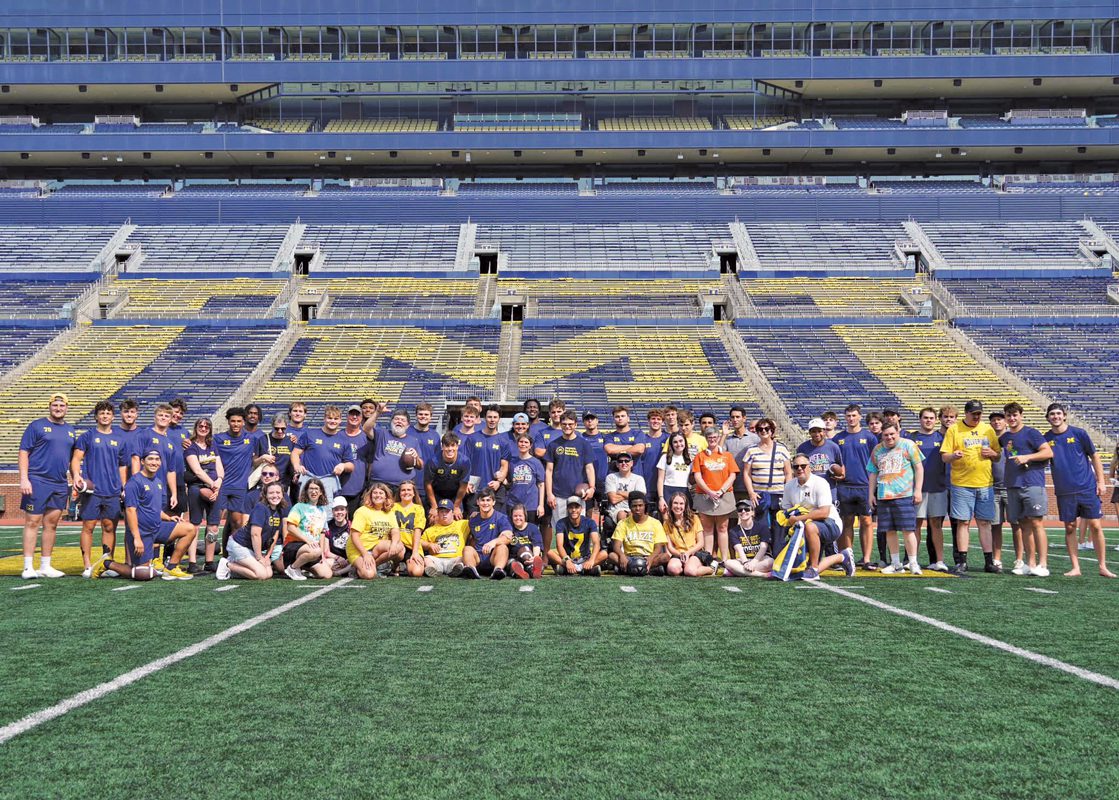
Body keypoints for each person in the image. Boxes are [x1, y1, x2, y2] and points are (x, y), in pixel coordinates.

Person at [92, 449, 197, 581]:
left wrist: (168, 517)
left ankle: (171, 568)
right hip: (142, 533)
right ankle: (107, 563)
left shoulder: (158, 481)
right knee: (144, 574)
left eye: (157, 459)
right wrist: (136, 538)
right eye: (150, 459)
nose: (154, 462)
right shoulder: (134, 482)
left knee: (190, 529)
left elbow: (154, 508)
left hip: (157, 527)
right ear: (142, 461)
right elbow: (130, 511)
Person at [1044, 403, 1115, 578]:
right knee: (1069, 528)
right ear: (1048, 417)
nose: (1055, 416)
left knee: (1096, 526)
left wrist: (1101, 481)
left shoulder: (1079, 433)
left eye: (1058, 413)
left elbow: (1095, 457)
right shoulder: (1045, 438)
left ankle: (1103, 566)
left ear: (1064, 415)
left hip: (1086, 487)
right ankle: (1075, 567)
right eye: (1052, 414)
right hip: (1064, 491)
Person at [18, 393, 76, 579]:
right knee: (32, 522)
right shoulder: (36, 425)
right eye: (55, 405)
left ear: (67, 408)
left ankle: (45, 565)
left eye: (62, 405)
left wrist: (75, 479)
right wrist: (24, 479)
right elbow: (23, 452)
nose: (58, 408)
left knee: (51, 524)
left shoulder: (70, 430)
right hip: (38, 480)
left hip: (59, 482)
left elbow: (71, 459)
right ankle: (28, 566)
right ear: (49, 406)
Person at [941, 399, 1001, 575]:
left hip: (985, 483)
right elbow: (944, 456)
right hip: (961, 484)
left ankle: (989, 562)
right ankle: (962, 561)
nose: (977, 416)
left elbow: (997, 455)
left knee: (984, 523)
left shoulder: (987, 429)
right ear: (966, 413)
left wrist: (993, 454)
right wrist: (953, 456)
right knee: (963, 522)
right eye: (973, 413)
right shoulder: (954, 429)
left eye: (979, 414)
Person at [70, 400, 127, 578]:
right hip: (92, 490)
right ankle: (87, 564)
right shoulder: (87, 436)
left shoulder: (119, 439)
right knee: (88, 526)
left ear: (112, 417)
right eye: (101, 413)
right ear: (96, 416)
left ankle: (107, 563)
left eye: (108, 413)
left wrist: (123, 486)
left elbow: (122, 466)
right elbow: (76, 458)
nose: (104, 416)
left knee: (109, 527)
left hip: (112, 490)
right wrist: (77, 476)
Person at [1000, 402, 1053, 577]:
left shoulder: (1032, 433)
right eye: (1009, 415)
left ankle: (1043, 564)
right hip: (1013, 485)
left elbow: (1048, 452)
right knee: (1022, 524)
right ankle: (1029, 564)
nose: (1012, 418)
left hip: (1032, 484)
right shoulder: (1005, 437)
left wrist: (1027, 457)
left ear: (1021, 415)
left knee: (1036, 522)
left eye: (1015, 415)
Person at [867, 423, 924, 575]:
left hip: (904, 494)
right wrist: (871, 494)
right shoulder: (878, 449)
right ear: (882, 436)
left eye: (892, 434)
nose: (889, 437)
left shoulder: (908, 445)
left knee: (908, 530)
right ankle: (896, 563)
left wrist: (918, 490)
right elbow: (872, 472)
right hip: (884, 495)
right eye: (886, 435)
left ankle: (913, 562)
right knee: (889, 531)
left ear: (898, 432)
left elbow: (919, 467)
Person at [781, 454, 848, 581]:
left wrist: (799, 519)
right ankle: (841, 557)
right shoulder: (789, 486)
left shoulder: (820, 483)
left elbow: (824, 512)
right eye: (796, 466)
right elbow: (786, 510)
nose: (800, 469)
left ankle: (814, 567)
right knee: (798, 571)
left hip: (829, 524)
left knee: (810, 526)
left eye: (803, 466)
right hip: (804, 527)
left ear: (810, 467)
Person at [833, 404, 877, 572]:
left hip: (864, 485)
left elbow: (875, 460)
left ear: (859, 416)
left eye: (854, 415)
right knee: (847, 522)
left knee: (866, 521)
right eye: (848, 416)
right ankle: (848, 557)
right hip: (845, 486)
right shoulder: (838, 438)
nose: (851, 418)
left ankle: (866, 559)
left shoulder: (870, 437)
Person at [906, 407, 951, 572]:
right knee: (915, 524)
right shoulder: (911, 438)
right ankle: (913, 560)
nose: (928, 420)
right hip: (917, 488)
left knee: (936, 524)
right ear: (920, 419)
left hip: (937, 487)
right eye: (925, 418)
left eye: (931, 418)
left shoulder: (942, 437)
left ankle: (939, 560)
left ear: (935, 420)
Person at [217, 481, 286, 581]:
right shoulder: (260, 508)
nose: (275, 495)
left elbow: (274, 536)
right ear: (265, 495)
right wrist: (259, 557)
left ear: (282, 494)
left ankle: (235, 567)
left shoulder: (279, 510)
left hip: (251, 548)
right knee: (261, 575)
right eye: (271, 493)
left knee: (268, 573)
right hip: (240, 545)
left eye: (278, 493)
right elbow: (255, 534)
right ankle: (227, 565)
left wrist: (267, 556)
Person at [691, 426, 739, 562]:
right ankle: (708, 559)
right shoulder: (700, 456)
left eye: (714, 437)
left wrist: (721, 490)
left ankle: (724, 560)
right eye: (709, 437)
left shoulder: (727, 455)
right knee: (707, 529)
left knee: (723, 527)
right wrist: (710, 492)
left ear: (718, 438)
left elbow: (733, 475)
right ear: (706, 439)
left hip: (724, 495)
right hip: (705, 496)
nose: (712, 439)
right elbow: (697, 476)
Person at [183, 417, 224, 574]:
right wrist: (212, 484)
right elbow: (197, 470)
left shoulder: (213, 445)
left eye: (207, 426)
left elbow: (220, 468)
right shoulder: (191, 446)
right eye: (201, 425)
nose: (204, 428)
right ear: (196, 427)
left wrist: (218, 482)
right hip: (197, 487)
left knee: (213, 526)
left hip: (215, 488)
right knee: (195, 525)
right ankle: (192, 562)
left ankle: (209, 561)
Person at [739, 418, 792, 534]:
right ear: (757, 432)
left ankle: (777, 551)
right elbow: (746, 473)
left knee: (779, 526)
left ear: (772, 431)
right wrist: (751, 492)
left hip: (778, 493)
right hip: (759, 494)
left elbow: (788, 473)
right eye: (760, 429)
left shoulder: (782, 449)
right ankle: (763, 551)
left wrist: (787, 492)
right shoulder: (751, 450)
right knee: (760, 525)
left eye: (767, 429)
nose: (764, 431)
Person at [544, 411, 595, 528]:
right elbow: (549, 471)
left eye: (570, 424)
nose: (567, 426)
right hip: (559, 494)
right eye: (564, 424)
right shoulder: (553, 445)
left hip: (578, 494)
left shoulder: (584, 444)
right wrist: (549, 494)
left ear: (576, 425)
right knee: (561, 529)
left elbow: (589, 468)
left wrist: (592, 488)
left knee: (578, 528)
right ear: (560, 424)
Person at [213, 406, 257, 543]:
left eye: (239, 421)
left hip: (240, 487)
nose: (236, 424)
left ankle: (232, 555)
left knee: (237, 523)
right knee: (214, 523)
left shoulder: (251, 439)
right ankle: (210, 560)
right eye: (233, 421)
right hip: (222, 486)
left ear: (244, 422)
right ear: (228, 422)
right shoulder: (218, 439)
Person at [291, 405, 353, 501]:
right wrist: (297, 466)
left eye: (336, 419)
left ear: (340, 420)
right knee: (306, 511)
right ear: (324, 418)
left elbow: (351, 465)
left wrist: (343, 466)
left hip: (329, 482)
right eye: (329, 418)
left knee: (327, 513)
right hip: (309, 480)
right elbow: (295, 453)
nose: (332, 421)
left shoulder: (344, 440)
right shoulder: (310, 434)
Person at [130, 402, 181, 512]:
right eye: (160, 415)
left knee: (158, 523)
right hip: (144, 487)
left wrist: (174, 494)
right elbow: (135, 459)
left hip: (161, 490)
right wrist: (137, 483)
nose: (163, 418)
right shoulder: (144, 435)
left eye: (166, 416)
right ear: (155, 417)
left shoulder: (170, 444)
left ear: (171, 419)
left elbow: (171, 471)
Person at [347, 482, 405, 580]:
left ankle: (375, 564)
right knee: (369, 575)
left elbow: (395, 531)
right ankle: (357, 568)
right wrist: (365, 554)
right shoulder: (362, 511)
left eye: (381, 493)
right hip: (359, 549)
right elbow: (354, 536)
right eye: (375, 493)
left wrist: (394, 544)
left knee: (400, 548)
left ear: (386, 496)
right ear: (370, 495)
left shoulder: (389, 512)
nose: (378, 495)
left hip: (376, 548)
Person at [281, 478, 333, 580]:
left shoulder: (322, 511)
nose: (314, 491)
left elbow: (322, 533)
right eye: (311, 489)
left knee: (327, 574)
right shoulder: (299, 507)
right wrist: (308, 541)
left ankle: (302, 567)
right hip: (294, 546)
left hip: (312, 549)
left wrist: (322, 554)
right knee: (315, 551)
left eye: (316, 489)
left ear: (321, 492)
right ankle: (292, 568)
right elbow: (290, 527)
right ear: (306, 491)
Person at [610, 492, 670, 576]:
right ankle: (649, 570)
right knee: (612, 556)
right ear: (630, 507)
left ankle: (629, 570)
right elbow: (616, 546)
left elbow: (658, 548)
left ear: (645, 506)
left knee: (665, 557)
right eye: (634, 506)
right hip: (630, 558)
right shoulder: (622, 523)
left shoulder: (655, 523)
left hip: (647, 557)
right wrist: (622, 556)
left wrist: (651, 558)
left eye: (640, 505)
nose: (638, 508)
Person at [365, 408, 422, 496]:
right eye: (396, 419)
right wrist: (378, 412)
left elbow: (420, 466)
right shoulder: (382, 433)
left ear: (407, 425)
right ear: (391, 422)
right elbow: (366, 428)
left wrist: (416, 457)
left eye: (403, 420)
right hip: (379, 483)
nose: (399, 422)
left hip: (402, 487)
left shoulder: (413, 440)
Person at [415, 499, 475, 578]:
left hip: (455, 558)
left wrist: (476, 514)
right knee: (427, 559)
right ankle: (432, 570)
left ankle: (457, 569)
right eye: (441, 511)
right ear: (438, 513)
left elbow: (477, 522)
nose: (444, 514)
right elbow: (420, 542)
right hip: (437, 559)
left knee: (463, 558)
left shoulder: (463, 524)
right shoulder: (430, 530)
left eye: (447, 511)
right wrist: (430, 545)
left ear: (452, 512)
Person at [548, 495, 605, 576]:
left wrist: (591, 560)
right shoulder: (561, 523)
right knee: (549, 552)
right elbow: (559, 545)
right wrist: (567, 560)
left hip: (585, 558)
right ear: (567, 509)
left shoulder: (589, 522)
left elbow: (596, 543)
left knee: (604, 554)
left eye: (576, 507)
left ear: (581, 509)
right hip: (567, 557)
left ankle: (569, 569)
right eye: (571, 507)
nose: (574, 510)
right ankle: (586, 570)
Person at [465, 488, 513, 579]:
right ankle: (471, 570)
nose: (485, 503)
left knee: (502, 547)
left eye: (488, 500)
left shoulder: (501, 518)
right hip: (478, 558)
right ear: (478, 502)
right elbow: (473, 539)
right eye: (482, 500)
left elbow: (508, 537)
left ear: (493, 502)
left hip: (493, 557)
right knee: (467, 549)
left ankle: (498, 570)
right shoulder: (473, 520)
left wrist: (493, 542)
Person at [664, 492, 714, 577]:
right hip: (678, 553)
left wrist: (688, 553)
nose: (678, 506)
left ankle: (712, 568)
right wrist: (680, 555)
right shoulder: (667, 523)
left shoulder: (694, 518)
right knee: (672, 569)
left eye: (681, 504)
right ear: (671, 505)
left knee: (690, 572)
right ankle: (686, 567)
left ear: (685, 505)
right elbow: (670, 547)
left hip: (694, 553)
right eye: (675, 503)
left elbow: (701, 542)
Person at [337, 405, 373, 517]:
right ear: (346, 417)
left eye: (357, 414)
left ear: (362, 418)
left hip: (358, 488)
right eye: (352, 414)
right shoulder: (338, 435)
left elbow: (370, 462)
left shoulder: (366, 438)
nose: (354, 417)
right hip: (338, 486)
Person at [424, 432, 471, 519]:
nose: (450, 449)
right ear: (442, 446)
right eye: (447, 446)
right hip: (437, 494)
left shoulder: (464, 461)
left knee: (457, 518)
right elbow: (428, 484)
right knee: (434, 519)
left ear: (457, 446)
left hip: (455, 495)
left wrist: (456, 507)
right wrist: (434, 506)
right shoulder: (433, 461)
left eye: (453, 445)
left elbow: (463, 486)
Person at [796, 417, 845, 500]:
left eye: (819, 431)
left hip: (829, 489)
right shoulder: (802, 448)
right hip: (809, 489)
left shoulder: (833, 447)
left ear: (824, 431)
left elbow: (840, 465)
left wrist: (841, 474)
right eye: (813, 431)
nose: (817, 434)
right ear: (810, 433)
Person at [724, 499, 774, 577]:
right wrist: (745, 563)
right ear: (738, 513)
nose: (743, 511)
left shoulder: (763, 527)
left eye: (746, 509)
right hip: (744, 560)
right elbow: (739, 550)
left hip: (761, 558)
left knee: (770, 562)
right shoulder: (733, 531)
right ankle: (762, 575)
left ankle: (737, 571)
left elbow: (763, 548)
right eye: (740, 510)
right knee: (728, 563)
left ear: (752, 512)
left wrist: (754, 562)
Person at [505, 433, 546, 523]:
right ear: (517, 444)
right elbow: (508, 480)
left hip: (530, 504)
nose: (523, 444)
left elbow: (541, 484)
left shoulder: (536, 462)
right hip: (513, 503)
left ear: (530, 445)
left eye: (526, 442)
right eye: (521, 442)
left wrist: (541, 505)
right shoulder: (512, 461)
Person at [255, 414, 297, 498]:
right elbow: (254, 463)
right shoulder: (263, 440)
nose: (280, 431)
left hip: (283, 484)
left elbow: (294, 460)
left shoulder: (291, 441)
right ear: (272, 426)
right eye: (276, 428)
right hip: (265, 482)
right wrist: (263, 457)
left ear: (287, 426)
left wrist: (295, 473)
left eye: (283, 428)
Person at [393, 480, 426, 573]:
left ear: (414, 493)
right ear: (399, 493)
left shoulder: (419, 508)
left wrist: (415, 552)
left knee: (416, 572)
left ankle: (405, 565)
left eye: (409, 490)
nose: (406, 492)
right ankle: (395, 564)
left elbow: (417, 531)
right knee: (399, 551)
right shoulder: (393, 506)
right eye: (403, 490)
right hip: (397, 546)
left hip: (412, 546)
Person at [581, 412, 609, 523]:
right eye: (587, 419)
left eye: (592, 418)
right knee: (587, 512)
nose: (590, 421)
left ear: (597, 420)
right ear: (583, 422)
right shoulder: (580, 438)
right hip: (586, 480)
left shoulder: (605, 437)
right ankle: (589, 537)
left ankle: (605, 538)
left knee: (607, 513)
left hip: (603, 480)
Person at [639, 409, 669, 511]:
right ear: (648, 421)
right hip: (647, 483)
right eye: (653, 419)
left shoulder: (668, 439)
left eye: (658, 419)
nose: (655, 421)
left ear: (663, 422)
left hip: (664, 485)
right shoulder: (642, 438)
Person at [656, 431, 692, 516]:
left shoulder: (690, 458)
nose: (678, 444)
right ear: (671, 444)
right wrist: (661, 498)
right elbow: (660, 479)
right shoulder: (665, 458)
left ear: (685, 442)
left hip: (685, 491)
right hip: (668, 490)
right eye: (675, 442)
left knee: (684, 521)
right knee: (667, 521)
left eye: (681, 441)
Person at [605, 452, 646, 524]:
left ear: (631, 463)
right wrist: (631, 495)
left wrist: (620, 493)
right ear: (617, 464)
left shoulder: (639, 479)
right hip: (616, 509)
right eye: (620, 461)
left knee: (632, 514)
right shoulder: (611, 477)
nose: (624, 463)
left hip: (635, 507)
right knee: (622, 515)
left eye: (627, 461)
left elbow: (640, 497)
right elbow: (613, 500)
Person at [507, 503, 545, 579]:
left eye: (520, 516)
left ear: (525, 516)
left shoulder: (532, 528)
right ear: (511, 517)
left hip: (530, 557)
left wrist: (535, 557)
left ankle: (534, 571)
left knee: (535, 564)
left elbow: (536, 544)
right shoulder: (508, 528)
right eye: (515, 516)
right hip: (515, 558)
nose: (518, 518)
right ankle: (520, 572)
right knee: (513, 564)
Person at [322, 495, 354, 577]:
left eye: (342, 509)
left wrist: (347, 560)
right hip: (334, 560)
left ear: (346, 511)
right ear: (332, 511)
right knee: (325, 563)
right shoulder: (327, 526)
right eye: (336, 510)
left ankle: (338, 573)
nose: (339, 512)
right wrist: (338, 558)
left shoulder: (352, 526)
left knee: (358, 561)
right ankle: (346, 571)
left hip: (350, 559)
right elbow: (326, 551)